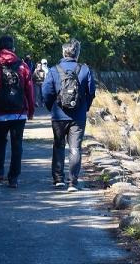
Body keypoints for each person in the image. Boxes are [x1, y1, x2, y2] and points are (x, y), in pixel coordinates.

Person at [42, 38, 96, 192]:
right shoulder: (84, 69)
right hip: (78, 116)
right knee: (75, 148)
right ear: (77, 53)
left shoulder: (54, 70)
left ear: (63, 52)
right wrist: (85, 107)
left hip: (58, 115)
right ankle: (73, 182)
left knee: (58, 145)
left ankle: (58, 179)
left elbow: (46, 91)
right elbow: (91, 92)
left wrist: (51, 107)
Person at [0, 34, 34, 188]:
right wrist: (30, 109)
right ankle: (13, 178)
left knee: (0, 141)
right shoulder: (22, 66)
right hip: (19, 112)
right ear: (13, 49)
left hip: (0, 112)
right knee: (17, 144)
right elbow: (29, 90)